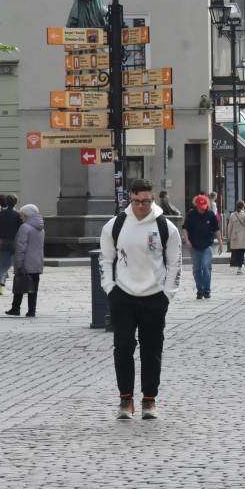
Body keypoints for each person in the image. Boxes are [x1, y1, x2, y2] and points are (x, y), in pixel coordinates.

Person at [99, 178, 182, 420]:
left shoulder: (166, 227)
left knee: (152, 349)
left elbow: (175, 263)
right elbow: (105, 259)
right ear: (129, 200)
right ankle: (125, 399)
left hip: (155, 296)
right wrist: (109, 288)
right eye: (135, 201)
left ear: (153, 199)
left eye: (145, 201)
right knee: (123, 347)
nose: (140, 206)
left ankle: (149, 399)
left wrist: (168, 294)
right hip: (123, 295)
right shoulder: (115, 225)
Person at [5, 203, 45, 317]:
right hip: (37, 262)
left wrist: (18, 261)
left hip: (26, 262)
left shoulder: (25, 227)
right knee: (34, 288)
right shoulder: (40, 228)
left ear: (26, 215)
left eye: (22, 214)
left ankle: (15, 308)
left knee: (19, 285)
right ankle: (31, 310)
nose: (21, 216)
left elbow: (21, 246)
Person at [181, 194, 223, 299]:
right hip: (194, 246)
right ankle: (200, 290)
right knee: (196, 269)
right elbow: (185, 228)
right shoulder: (191, 214)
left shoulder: (210, 214)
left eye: (203, 208)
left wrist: (220, 243)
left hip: (207, 245)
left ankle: (207, 290)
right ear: (196, 205)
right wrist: (187, 241)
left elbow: (216, 229)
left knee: (206, 266)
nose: (202, 209)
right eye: (200, 208)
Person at [0, 193, 21, 296]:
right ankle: (23, 286)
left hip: (3, 241)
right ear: (15, 203)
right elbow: (21, 229)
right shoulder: (18, 215)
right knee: (19, 264)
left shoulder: (0, 214)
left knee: (3, 264)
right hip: (15, 241)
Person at [226, 200, 245, 274]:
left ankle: (239, 265)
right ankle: (239, 268)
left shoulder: (232, 215)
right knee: (241, 252)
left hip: (235, 235)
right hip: (243, 235)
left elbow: (229, 227)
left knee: (237, 251)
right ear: (243, 207)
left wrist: (228, 236)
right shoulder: (244, 215)